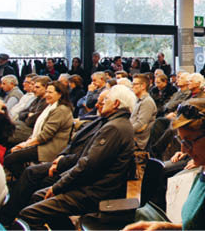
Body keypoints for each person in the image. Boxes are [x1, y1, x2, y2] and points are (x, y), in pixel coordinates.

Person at [124, 99, 205, 230]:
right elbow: (199, 225)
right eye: (181, 141)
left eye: (189, 142)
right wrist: (164, 227)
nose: (183, 150)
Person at [17, 85, 136, 230]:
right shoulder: (115, 123)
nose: (101, 103)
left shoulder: (114, 128)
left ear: (116, 103)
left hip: (94, 192)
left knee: (28, 214)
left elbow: (88, 165)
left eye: (106, 100)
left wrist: (58, 186)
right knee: (37, 196)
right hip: (92, 185)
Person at [0, 90, 110, 226]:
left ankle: (9, 215)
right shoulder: (99, 120)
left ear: (60, 94)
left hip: (52, 150)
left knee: (26, 170)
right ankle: (14, 207)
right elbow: (72, 144)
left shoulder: (108, 127)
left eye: (102, 101)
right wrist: (62, 156)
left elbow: (84, 158)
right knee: (24, 169)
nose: (97, 104)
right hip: (62, 156)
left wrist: (60, 161)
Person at [4, 81, 74, 179]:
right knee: (9, 154)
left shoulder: (61, 110)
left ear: (60, 94)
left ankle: (24, 181)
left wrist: (25, 145)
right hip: (41, 144)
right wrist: (26, 143)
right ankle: (23, 180)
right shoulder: (51, 107)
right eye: (46, 92)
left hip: (49, 148)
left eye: (50, 92)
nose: (47, 95)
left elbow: (45, 136)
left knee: (10, 159)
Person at [131, 74, 157, 150]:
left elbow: (141, 125)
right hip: (132, 137)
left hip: (138, 141)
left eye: (135, 84)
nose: (132, 87)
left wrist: (125, 131)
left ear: (143, 86)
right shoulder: (139, 101)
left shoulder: (147, 102)